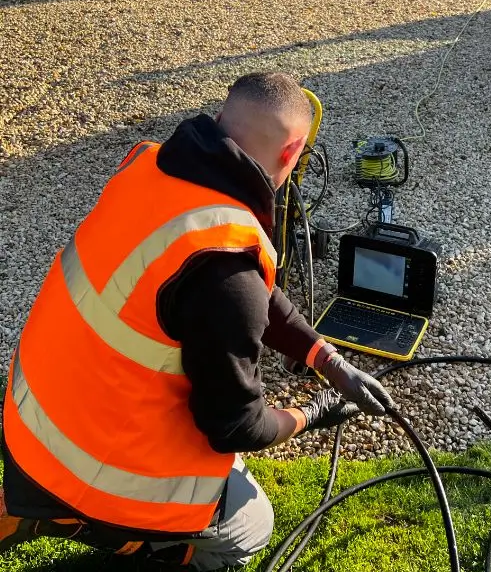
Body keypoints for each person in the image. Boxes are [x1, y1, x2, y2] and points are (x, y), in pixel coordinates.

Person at [0, 71, 396, 570]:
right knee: (253, 526)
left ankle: (40, 504)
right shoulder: (225, 266)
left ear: (220, 120)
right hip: (95, 470)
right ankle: (116, 535)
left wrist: (329, 360)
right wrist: (312, 415)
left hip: (34, 420)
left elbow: (251, 292)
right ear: (294, 151)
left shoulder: (151, 169)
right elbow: (236, 426)